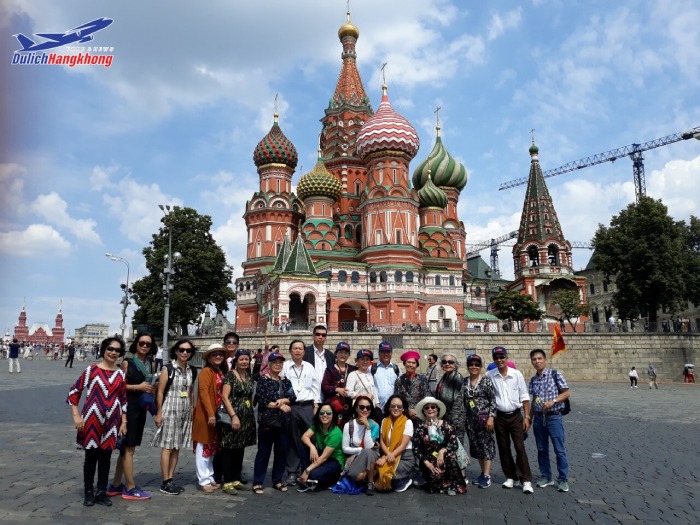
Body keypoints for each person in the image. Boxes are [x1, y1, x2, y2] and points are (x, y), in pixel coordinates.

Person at [67, 337, 127, 506]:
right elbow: (74, 392)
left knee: (106, 456)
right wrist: (76, 416)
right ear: (103, 350)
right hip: (92, 419)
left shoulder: (120, 374)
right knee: (91, 456)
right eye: (110, 348)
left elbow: (123, 399)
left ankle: (101, 491)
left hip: (112, 421)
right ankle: (88, 491)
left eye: (117, 350)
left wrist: (124, 421)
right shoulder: (91, 370)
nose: (113, 352)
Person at [108, 332, 157, 500]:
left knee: (125, 449)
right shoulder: (127, 363)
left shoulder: (151, 363)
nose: (144, 346)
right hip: (128, 410)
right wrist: (139, 387)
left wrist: (151, 388)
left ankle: (115, 485)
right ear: (136, 344)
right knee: (129, 449)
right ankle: (130, 488)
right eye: (141, 343)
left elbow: (149, 384)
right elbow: (118, 387)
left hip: (141, 408)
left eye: (148, 344)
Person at [151, 338, 197, 495]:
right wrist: (159, 413)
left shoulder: (192, 370)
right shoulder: (168, 369)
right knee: (168, 446)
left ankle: (170, 478)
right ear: (176, 351)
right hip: (170, 409)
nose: (185, 353)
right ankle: (165, 482)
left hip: (184, 411)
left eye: (188, 350)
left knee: (176, 446)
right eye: (182, 350)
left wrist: (191, 408)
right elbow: (160, 392)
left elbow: (190, 390)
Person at [487, 346, 533, 494]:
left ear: (507, 358)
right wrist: (490, 417)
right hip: (499, 416)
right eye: (496, 358)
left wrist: (526, 416)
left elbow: (524, 396)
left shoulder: (516, 374)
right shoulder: (490, 375)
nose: (499, 360)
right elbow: (488, 398)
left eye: (502, 357)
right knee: (504, 448)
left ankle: (525, 480)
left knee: (520, 448)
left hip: (515, 416)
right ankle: (510, 476)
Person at [252, 351, 295, 494]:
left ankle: (277, 480)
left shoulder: (285, 381)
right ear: (269, 364)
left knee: (281, 452)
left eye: (280, 363)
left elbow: (292, 397)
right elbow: (262, 400)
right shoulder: (263, 380)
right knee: (264, 452)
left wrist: (283, 400)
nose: (278, 365)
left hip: (283, 422)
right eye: (275, 362)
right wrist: (280, 405)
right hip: (268, 422)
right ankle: (258, 482)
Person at [528, 349, 571, 493]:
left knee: (559, 449)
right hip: (539, 418)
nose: (537, 361)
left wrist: (553, 401)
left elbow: (566, 392)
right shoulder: (533, 380)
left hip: (554, 416)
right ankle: (546, 476)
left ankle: (563, 479)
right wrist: (529, 418)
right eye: (534, 359)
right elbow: (534, 401)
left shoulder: (555, 374)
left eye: (539, 358)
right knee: (541, 449)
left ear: (545, 360)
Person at [219, 348, 257, 495]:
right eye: (241, 359)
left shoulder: (248, 376)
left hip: (246, 417)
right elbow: (224, 397)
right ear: (236, 361)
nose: (244, 362)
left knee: (240, 448)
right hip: (232, 416)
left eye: (246, 359)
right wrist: (234, 416)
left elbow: (249, 396)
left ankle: (236, 478)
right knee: (229, 448)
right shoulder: (230, 375)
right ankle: (227, 481)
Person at [191, 343, 228, 493]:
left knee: (212, 446)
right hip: (207, 414)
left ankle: (210, 476)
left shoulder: (219, 371)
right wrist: (211, 414)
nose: (218, 356)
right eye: (214, 354)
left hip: (216, 414)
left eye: (220, 354)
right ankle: (203, 479)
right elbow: (203, 393)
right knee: (203, 446)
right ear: (209, 357)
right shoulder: (206, 371)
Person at [282, 339, 320, 486]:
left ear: (304, 351)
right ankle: (292, 471)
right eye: (295, 348)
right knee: (292, 438)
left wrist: (316, 404)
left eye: (300, 349)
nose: (297, 351)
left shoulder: (309, 367)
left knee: (309, 438)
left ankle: (307, 469)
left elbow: (315, 386)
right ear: (290, 351)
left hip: (307, 406)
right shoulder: (285, 366)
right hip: (291, 406)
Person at [413, 396, 467, 496]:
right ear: (424, 411)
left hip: (445, 458)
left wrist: (442, 451)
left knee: (450, 456)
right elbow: (416, 449)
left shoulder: (446, 425)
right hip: (429, 460)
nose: (430, 409)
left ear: (437, 410)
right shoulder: (419, 428)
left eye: (433, 407)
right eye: (426, 408)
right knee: (434, 482)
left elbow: (454, 444)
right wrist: (427, 463)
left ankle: (452, 486)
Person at [462, 354, 497, 489]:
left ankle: (487, 476)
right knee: (477, 447)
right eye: (471, 364)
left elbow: (493, 400)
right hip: (470, 421)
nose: (474, 367)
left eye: (477, 365)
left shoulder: (486, 381)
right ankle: (483, 473)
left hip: (484, 419)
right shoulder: (465, 382)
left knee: (486, 446)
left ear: (481, 366)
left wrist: (491, 417)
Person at [298, 403, 344, 492]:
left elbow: (324, 458)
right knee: (303, 445)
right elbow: (304, 437)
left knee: (314, 474)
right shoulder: (317, 426)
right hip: (321, 456)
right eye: (322, 413)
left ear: (333, 415)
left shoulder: (336, 433)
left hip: (334, 461)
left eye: (328, 413)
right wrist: (312, 447)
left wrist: (308, 470)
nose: (325, 415)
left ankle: (334, 479)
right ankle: (307, 475)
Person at [375, 394, 415, 492]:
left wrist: (387, 457)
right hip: (389, 455)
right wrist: (387, 455)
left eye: (399, 406)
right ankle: (397, 481)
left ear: (403, 408)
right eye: (393, 406)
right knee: (376, 475)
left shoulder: (407, 422)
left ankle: (404, 479)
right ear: (389, 408)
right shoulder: (385, 421)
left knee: (383, 477)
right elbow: (382, 442)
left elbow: (403, 446)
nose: (396, 408)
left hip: (404, 457)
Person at [341, 395, 381, 495]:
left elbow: (369, 447)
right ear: (356, 408)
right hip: (356, 456)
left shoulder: (375, 425)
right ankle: (372, 472)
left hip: (372, 454)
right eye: (361, 407)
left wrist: (367, 427)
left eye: (368, 408)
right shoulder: (349, 425)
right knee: (357, 476)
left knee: (368, 451)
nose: (365, 410)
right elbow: (345, 448)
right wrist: (360, 450)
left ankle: (370, 483)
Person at [321, 341, 357, 426]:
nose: (343, 355)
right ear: (336, 354)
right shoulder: (330, 369)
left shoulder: (352, 369)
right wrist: (336, 389)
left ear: (348, 355)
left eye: (345, 353)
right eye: (340, 352)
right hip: (334, 406)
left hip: (348, 406)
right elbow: (324, 386)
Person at [435, 352, 466, 442]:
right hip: (446, 416)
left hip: (455, 418)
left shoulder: (457, 377)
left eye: (450, 362)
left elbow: (458, 401)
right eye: (444, 362)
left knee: (456, 446)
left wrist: (454, 421)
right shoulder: (445, 377)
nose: (447, 364)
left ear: (455, 364)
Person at [393, 350, 428, 421]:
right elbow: (397, 398)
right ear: (404, 363)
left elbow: (426, 396)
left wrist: (417, 410)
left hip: (420, 414)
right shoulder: (399, 380)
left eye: (413, 363)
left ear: (416, 365)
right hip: (403, 414)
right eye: (408, 362)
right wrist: (408, 410)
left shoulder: (422, 379)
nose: (411, 365)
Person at [303, 324, 335, 400]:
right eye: (318, 334)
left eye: (323, 335)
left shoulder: (330, 355)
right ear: (313, 336)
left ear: (326, 337)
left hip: (326, 396)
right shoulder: (305, 352)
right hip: (310, 394)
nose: (321, 337)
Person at [346, 349, 381, 418]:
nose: (365, 362)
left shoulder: (370, 374)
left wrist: (377, 404)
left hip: (371, 409)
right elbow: (348, 392)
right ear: (357, 361)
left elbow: (373, 391)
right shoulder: (353, 374)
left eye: (367, 359)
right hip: (360, 409)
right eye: (362, 359)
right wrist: (364, 396)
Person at [373, 342, 400, 410]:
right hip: (377, 408)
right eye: (383, 352)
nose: (386, 354)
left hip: (393, 408)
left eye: (388, 352)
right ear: (379, 353)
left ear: (391, 353)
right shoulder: (372, 368)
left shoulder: (396, 369)